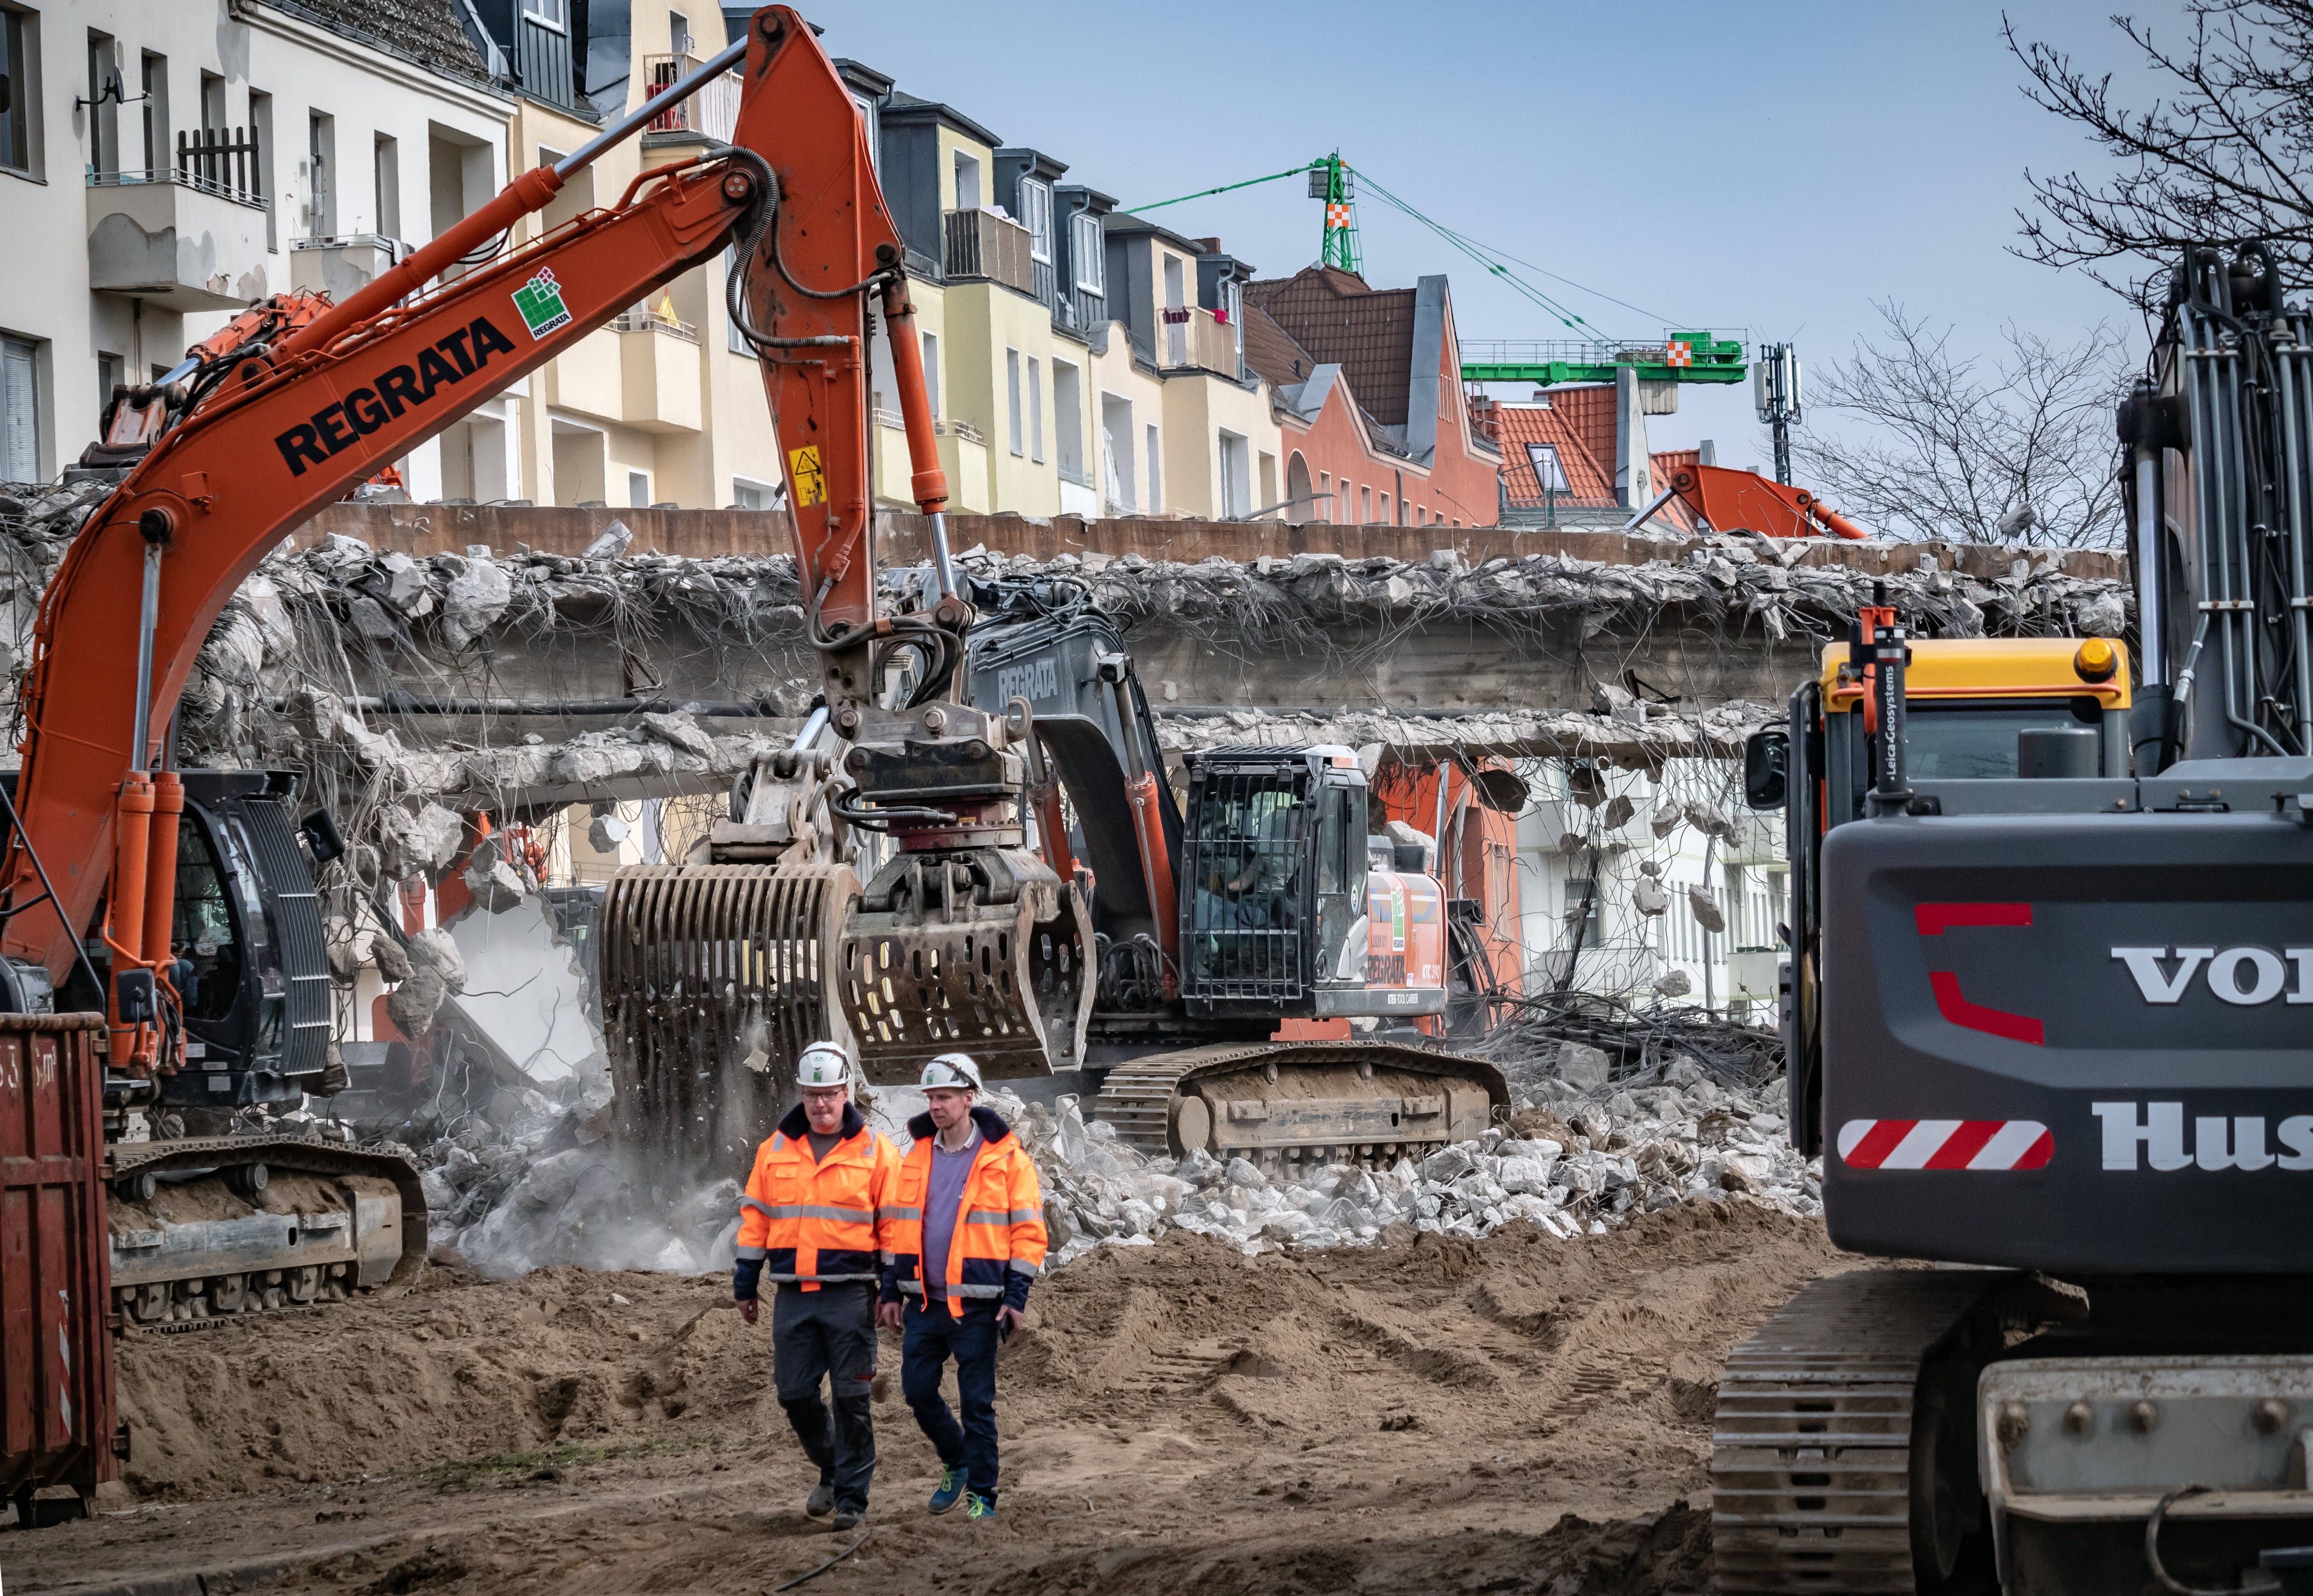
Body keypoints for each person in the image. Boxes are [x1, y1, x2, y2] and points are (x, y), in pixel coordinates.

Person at [734, 1040, 900, 1532]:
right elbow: (755, 1221)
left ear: (847, 1091)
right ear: (801, 1094)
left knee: (852, 1400)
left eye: (829, 1094)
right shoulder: (774, 1150)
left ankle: (852, 1499)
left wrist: (891, 1291)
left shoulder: (876, 1151)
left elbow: (894, 1225)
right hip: (792, 1295)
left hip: (851, 1295)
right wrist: (745, 1282)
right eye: (812, 1095)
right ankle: (831, 1467)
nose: (821, 1104)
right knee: (794, 1394)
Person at [878, 1053, 1046, 1522]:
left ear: (969, 1098)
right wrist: (890, 1289)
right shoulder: (917, 1155)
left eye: (945, 1097)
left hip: (978, 1304)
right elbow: (897, 1227)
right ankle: (956, 1459)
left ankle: (982, 1496)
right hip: (925, 1303)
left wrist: (1016, 1297)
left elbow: (1029, 1233)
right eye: (931, 1097)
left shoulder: (1007, 1159)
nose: (936, 1105)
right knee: (916, 1391)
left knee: (977, 1403)